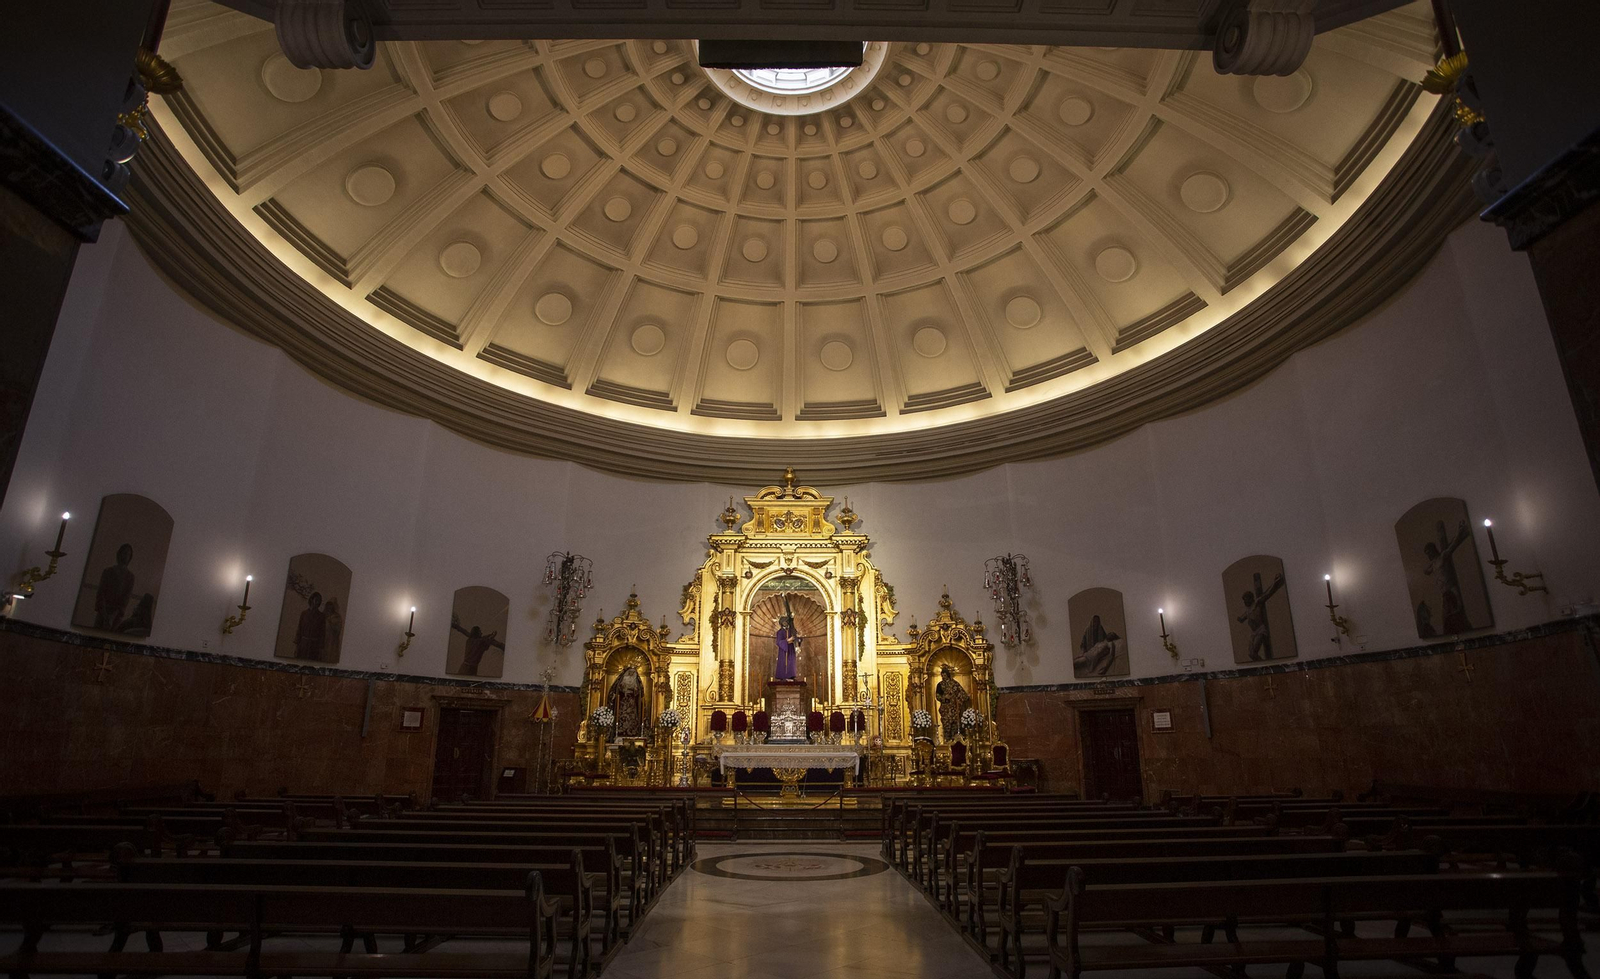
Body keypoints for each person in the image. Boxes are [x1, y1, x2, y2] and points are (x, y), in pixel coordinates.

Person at [1423, 519, 1474, 633]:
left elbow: (1453, 545)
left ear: (1433, 550)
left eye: (1429, 552)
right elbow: (1425, 571)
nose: (1429, 555)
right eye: (1427, 554)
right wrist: (1432, 561)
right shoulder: (1433, 564)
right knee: (1446, 620)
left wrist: (1459, 532)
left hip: (1451, 589)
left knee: (1457, 613)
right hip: (1444, 593)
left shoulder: (1442, 557)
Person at [1238, 571, 1285, 661]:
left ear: (1250, 598)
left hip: (1260, 630)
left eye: (1246, 599)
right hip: (1253, 633)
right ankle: (1262, 665)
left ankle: (1266, 665)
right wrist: (1240, 619)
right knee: (1251, 654)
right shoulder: (1247, 610)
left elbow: (1268, 592)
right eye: (1243, 600)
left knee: (1255, 650)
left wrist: (1275, 582)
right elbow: (1242, 618)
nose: (1244, 602)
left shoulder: (1257, 603)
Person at [93, 543, 137, 630]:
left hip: (116, 616)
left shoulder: (130, 577)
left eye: (128, 554)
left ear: (130, 557)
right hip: (103, 612)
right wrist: (104, 614)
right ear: (119, 553)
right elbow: (100, 593)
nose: (125, 556)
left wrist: (113, 616)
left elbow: (125, 598)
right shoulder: (108, 572)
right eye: (124, 553)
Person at [934, 663, 971, 742]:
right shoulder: (940, 685)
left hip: (954, 709)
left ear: (947, 674)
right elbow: (937, 696)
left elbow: (961, 693)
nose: (943, 676)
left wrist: (965, 697)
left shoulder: (954, 684)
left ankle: (955, 743)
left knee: (955, 727)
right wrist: (944, 698)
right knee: (947, 727)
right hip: (945, 709)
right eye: (942, 674)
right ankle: (946, 742)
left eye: (944, 674)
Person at [607, 664, 645, 738]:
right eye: (629, 672)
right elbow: (616, 691)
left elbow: (639, 694)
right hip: (623, 703)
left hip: (632, 703)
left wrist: (635, 691)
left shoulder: (636, 683)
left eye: (632, 673)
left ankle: (632, 732)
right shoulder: (621, 682)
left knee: (632, 718)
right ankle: (620, 732)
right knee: (623, 716)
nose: (631, 674)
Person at [295, 591, 327, 661]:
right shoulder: (304, 614)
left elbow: (322, 633)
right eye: (317, 600)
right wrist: (297, 646)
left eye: (320, 601)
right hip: (303, 645)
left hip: (314, 646)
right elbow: (299, 629)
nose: (318, 602)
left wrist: (321, 649)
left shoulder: (321, 616)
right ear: (312, 600)